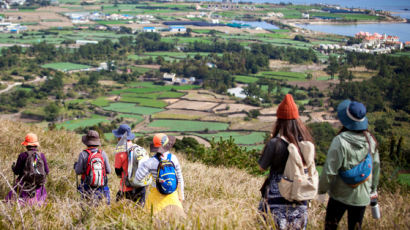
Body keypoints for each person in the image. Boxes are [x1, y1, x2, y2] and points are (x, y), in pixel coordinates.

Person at [318, 100, 380, 230]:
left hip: (339, 194)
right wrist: (373, 190)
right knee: (356, 227)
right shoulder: (370, 140)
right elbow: (375, 167)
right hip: (361, 196)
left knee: (330, 226)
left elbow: (329, 170)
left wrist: (322, 191)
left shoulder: (340, 141)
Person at [258, 94, 314, 230]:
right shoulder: (306, 142)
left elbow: (261, 167)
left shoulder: (274, 143)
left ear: (279, 120)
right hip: (299, 193)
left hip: (277, 194)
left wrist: (269, 144)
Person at [134, 133, 184, 215]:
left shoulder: (149, 162)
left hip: (155, 198)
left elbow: (138, 179)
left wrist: (142, 164)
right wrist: (181, 197)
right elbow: (180, 178)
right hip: (173, 197)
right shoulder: (174, 158)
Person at [6, 133, 49, 206]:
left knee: (10, 199)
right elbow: (47, 171)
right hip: (38, 185)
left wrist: (13, 168)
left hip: (24, 184)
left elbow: (17, 172)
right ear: (36, 144)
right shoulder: (41, 155)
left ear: (26, 145)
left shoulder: (22, 155)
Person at [113, 124, 148, 205]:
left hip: (126, 187)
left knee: (118, 209)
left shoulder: (120, 152)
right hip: (141, 185)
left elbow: (117, 172)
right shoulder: (139, 149)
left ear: (120, 138)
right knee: (140, 212)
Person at [74, 130, 111, 205]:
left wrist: (76, 166)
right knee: (103, 206)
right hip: (101, 186)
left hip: (86, 186)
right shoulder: (103, 154)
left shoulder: (83, 154)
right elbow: (108, 171)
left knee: (85, 205)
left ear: (87, 143)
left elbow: (78, 171)